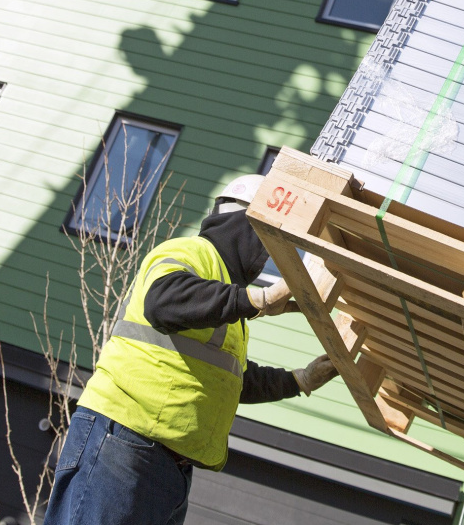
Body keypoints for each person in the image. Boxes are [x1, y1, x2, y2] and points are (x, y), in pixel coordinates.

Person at [42, 174, 337, 525]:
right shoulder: (188, 253)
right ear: (242, 225)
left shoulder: (229, 297)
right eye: (265, 239)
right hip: (123, 441)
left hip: (164, 464)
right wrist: (255, 298)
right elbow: (163, 300)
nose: (266, 256)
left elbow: (229, 378)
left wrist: (300, 380)